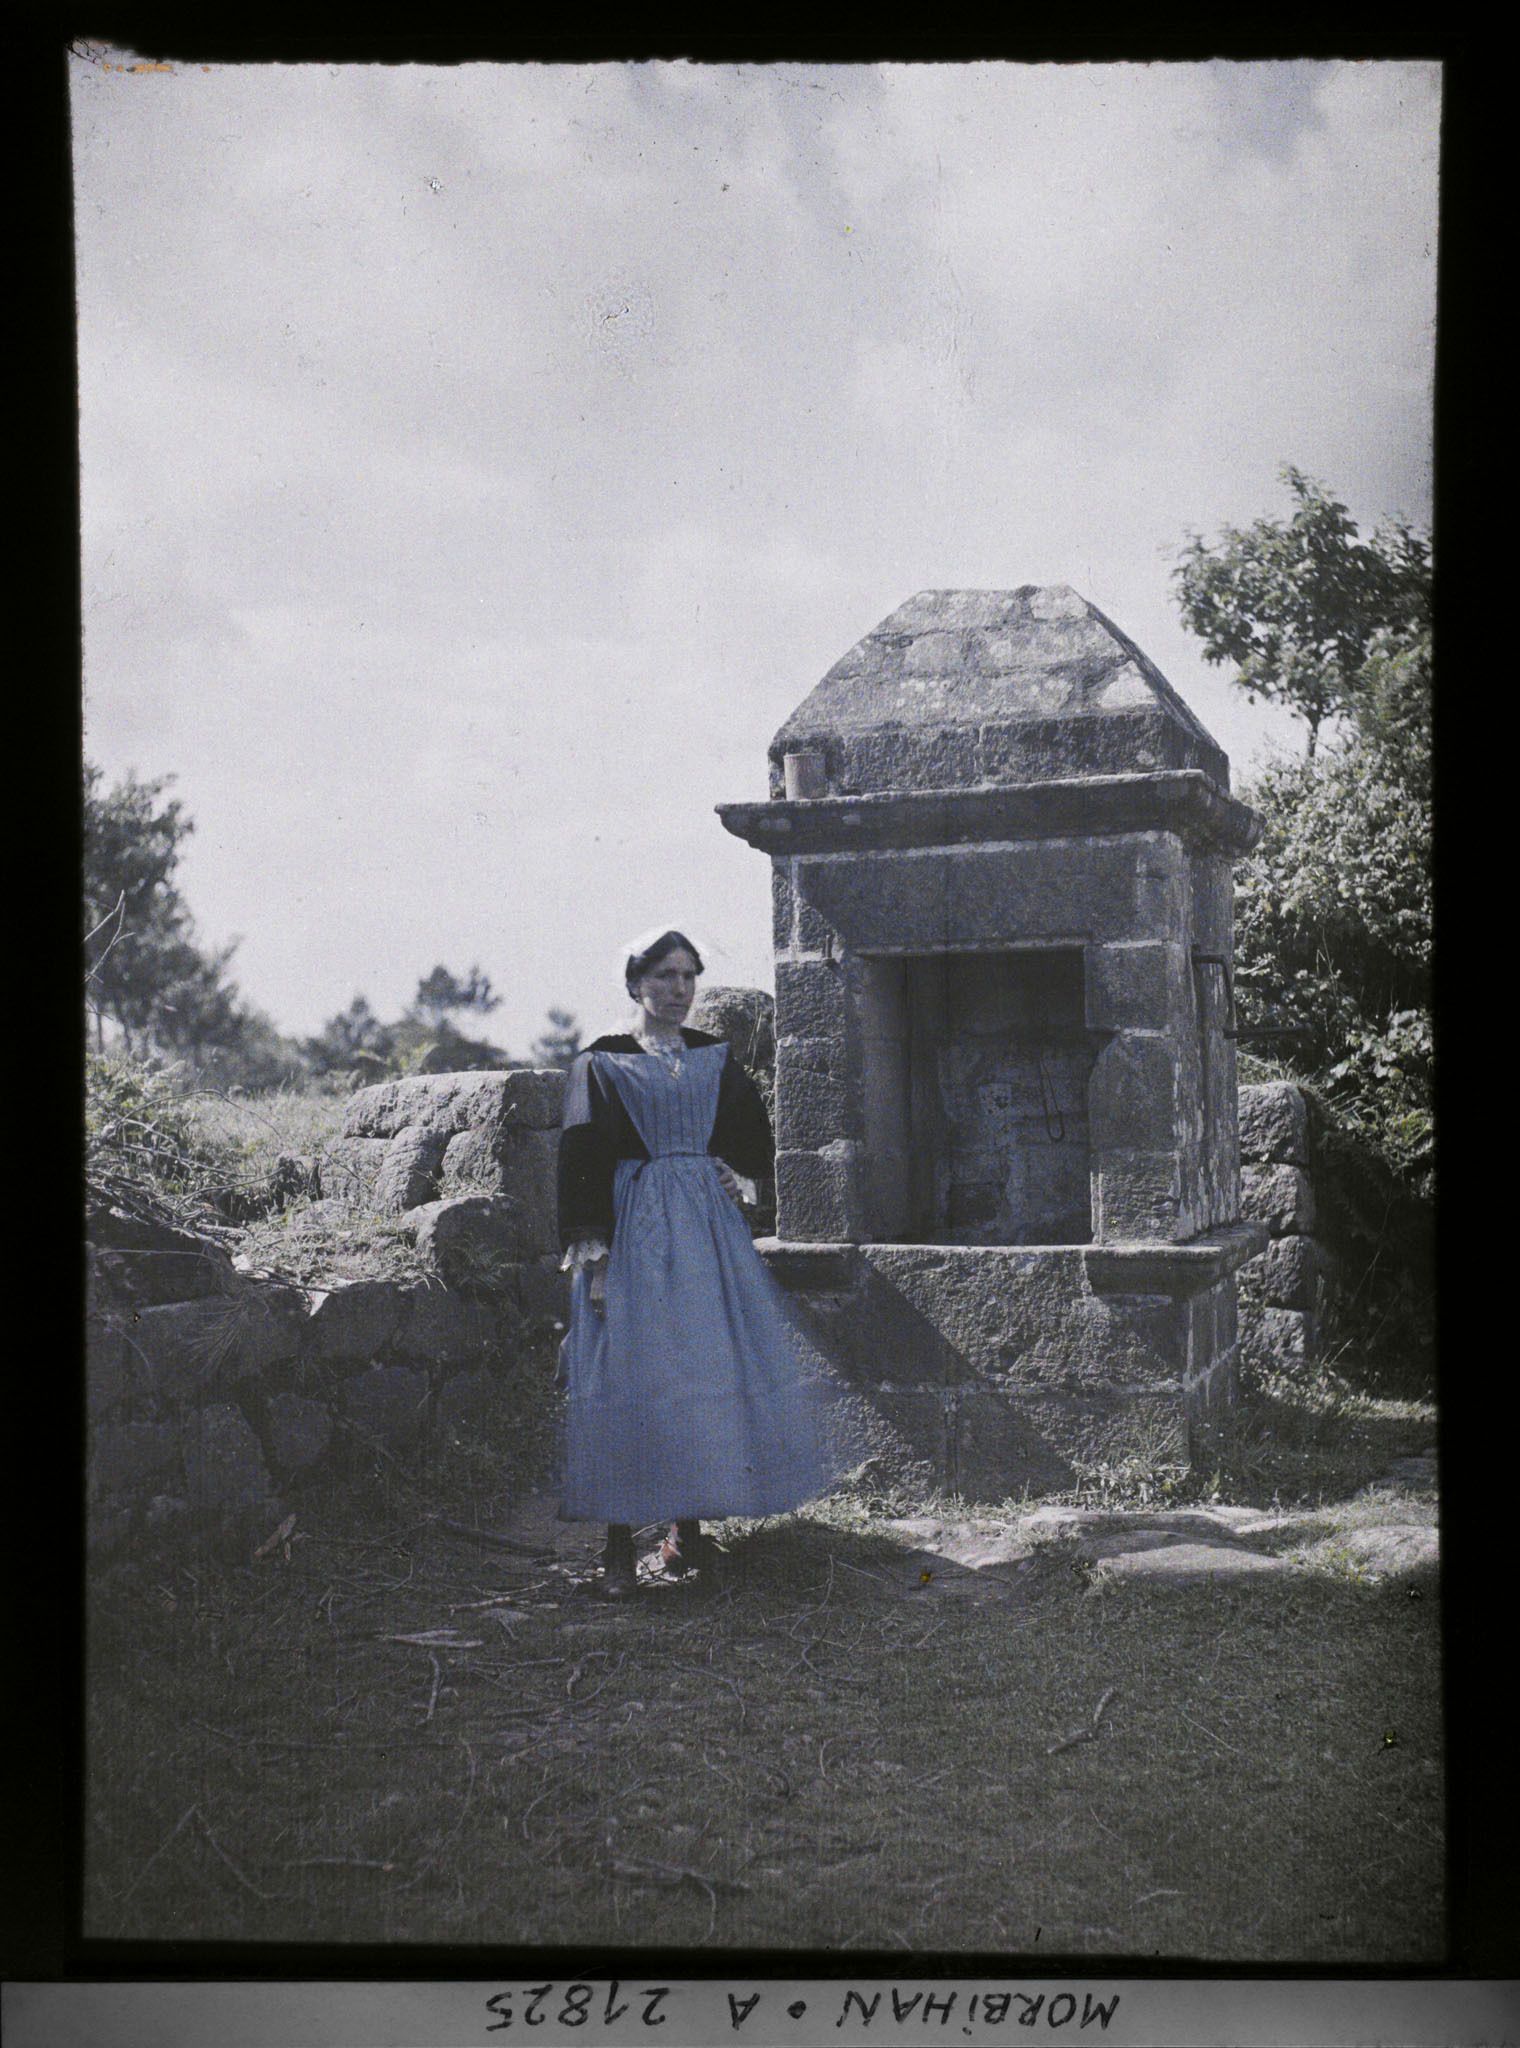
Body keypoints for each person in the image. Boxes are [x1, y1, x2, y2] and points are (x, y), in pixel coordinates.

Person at [556, 926, 830, 1597]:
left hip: (706, 1237)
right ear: (634, 982)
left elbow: (754, 1139)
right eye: (662, 977)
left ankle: (688, 1531)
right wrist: (596, 1260)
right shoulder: (602, 1061)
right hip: (634, 1234)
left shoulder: (712, 1059)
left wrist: (735, 1176)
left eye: (687, 977)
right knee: (631, 1374)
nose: (677, 990)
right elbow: (582, 1163)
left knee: (701, 1368)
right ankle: (619, 1545)